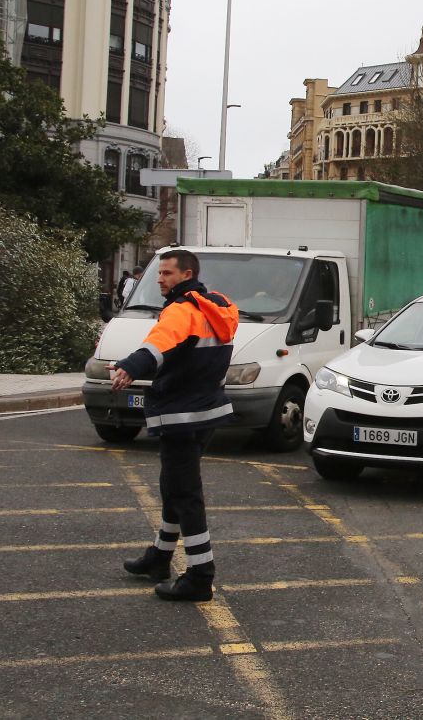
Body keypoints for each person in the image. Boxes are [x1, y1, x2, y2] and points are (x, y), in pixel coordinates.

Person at [111, 250, 239, 602]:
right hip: (206, 410)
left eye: (166, 273)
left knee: (184, 493)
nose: (159, 279)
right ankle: (160, 557)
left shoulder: (181, 311)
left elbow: (158, 345)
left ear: (186, 275)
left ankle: (200, 575)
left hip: (180, 414)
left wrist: (129, 367)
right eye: (159, 273)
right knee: (173, 487)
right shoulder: (220, 306)